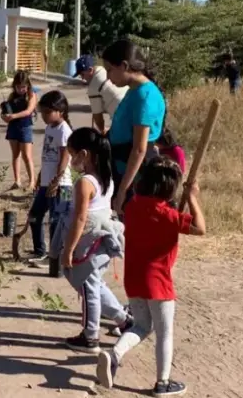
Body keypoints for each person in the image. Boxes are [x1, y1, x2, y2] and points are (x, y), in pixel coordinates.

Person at [96, 157, 206, 397]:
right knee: (164, 333)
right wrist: (193, 198)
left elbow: (155, 211)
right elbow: (200, 228)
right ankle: (162, 382)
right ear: (169, 189)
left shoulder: (133, 206)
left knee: (142, 325)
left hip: (134, 279)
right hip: (159, 282)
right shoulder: (168, 215)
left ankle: (114, 354)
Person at [52, 127, 132, 354]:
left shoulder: (84, 182)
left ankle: (90, 335)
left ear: (84, 154)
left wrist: (68, 249)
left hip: (87, 244)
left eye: (72, 153)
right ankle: (123, 320)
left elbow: (80, 217)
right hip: (100, 243)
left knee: (88, 290)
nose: (71, 159)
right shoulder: (104, 178)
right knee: (95, 285)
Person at [102, 39, 167, 215]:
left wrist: (123, 190)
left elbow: (139, 149)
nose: (108, 77)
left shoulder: (145, 96)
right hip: (122, 168)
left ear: (124, 66)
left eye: (109, 70)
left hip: (135, 178)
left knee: (132, 231)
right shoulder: (134, 90)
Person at [27, 90, 73, 262]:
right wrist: (41, 176)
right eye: (42, 112)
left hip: (63, 186)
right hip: (47, 183)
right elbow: (48, 156)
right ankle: (40, 251)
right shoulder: (49, 128)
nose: (44, 116)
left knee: (58, 220)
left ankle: (56, 257)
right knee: (34, 216)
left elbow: (64, 157)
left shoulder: (64, 130)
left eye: (47, 112)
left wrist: (57, 180)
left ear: (60, 111)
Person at [1, 71, 38, 189]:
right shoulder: (12, 96)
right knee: (15, 155)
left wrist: (14, 116)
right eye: (18, 87)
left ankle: (32, 181)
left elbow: (28, 111)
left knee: (27, 155)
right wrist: (4, 117)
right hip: (13, 127)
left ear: (28, 86)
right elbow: (4, 113)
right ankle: (17, 180)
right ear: (14, 86)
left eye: (23, 87)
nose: (21, 89)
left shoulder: (31, 95)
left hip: (25, 126)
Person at [74, 54, 127, 133]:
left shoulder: (93, 86)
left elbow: (98, 117)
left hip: (122, 118)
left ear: (90, 70)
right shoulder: (103, 70)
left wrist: (103, 131)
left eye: (82, 74)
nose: (82, 78)